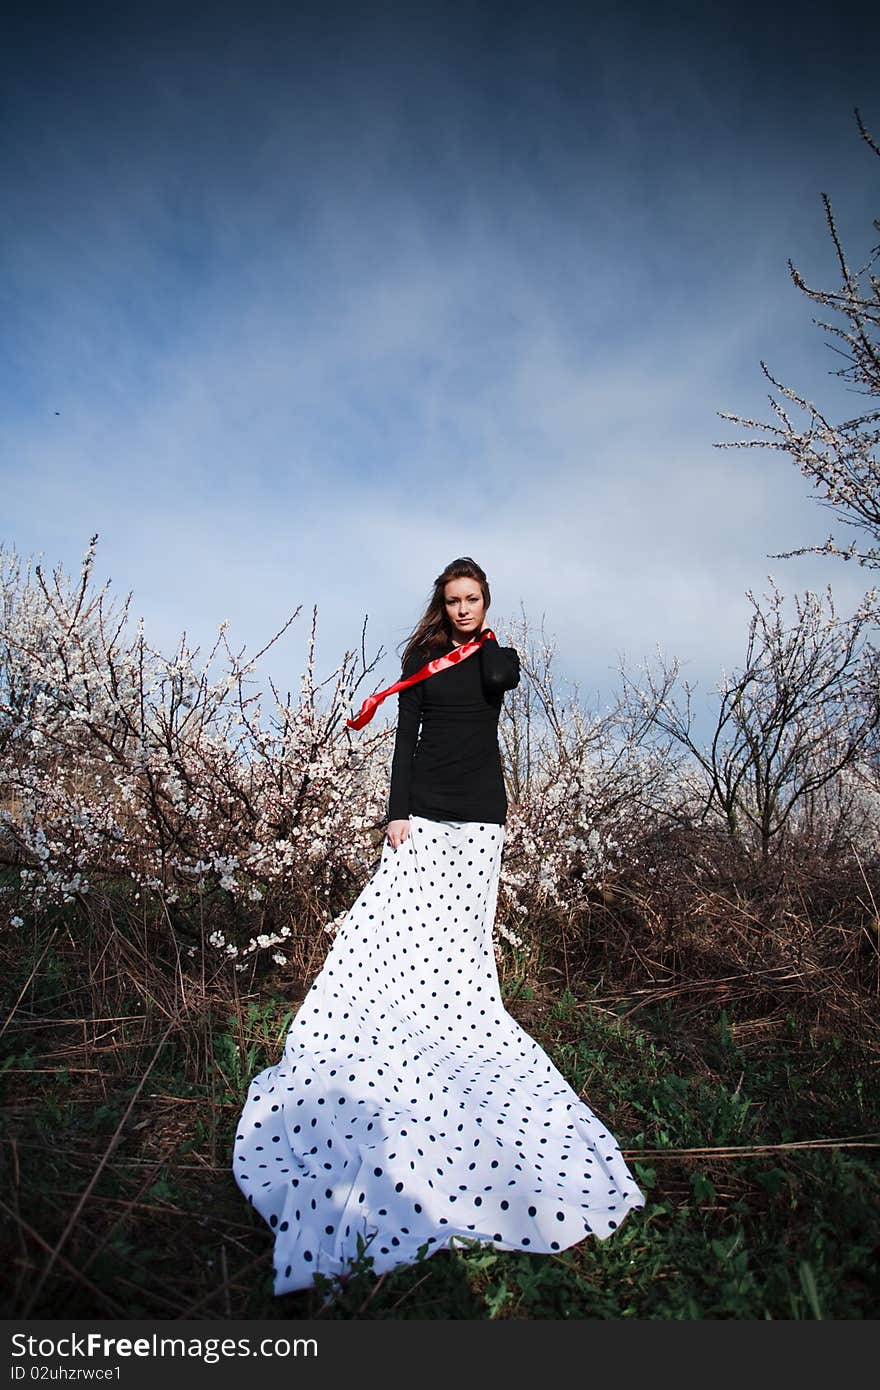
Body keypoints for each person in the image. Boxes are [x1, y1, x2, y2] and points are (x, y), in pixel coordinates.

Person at [232, 557, 645, 1297]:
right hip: (424, 808)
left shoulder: (493, 656)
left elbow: (502, 685)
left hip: (481, 813)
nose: (461, 608)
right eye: (453, 599)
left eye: (472, 599)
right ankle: (385, 1004)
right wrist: (396, 809)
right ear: (440, 602)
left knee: (460, 934)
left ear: (485, 602)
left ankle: (451, 1007)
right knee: (386, 918)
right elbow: (406, 734)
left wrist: (493, 642)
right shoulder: (419, 657)